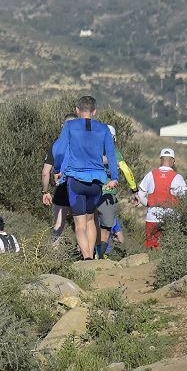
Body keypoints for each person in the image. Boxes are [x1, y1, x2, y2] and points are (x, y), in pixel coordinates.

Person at [52, 95, 119, 260]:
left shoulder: (70, 126)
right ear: (94, 111)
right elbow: (111, 154)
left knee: (79, 224)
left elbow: (60, 150)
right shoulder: (103, 129)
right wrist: (114, 177)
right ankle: (92, 257)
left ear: (77, 110)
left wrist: (58, 169)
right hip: (96, 182)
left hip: (76, 180)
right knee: (90, 220)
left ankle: (87, 258)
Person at [95, 125, 138, 258]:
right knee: (106, 227)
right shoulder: (113, 150)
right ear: (113, 137)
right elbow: (126, 170)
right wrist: (134, 190)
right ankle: (99, 256)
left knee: (88, 223)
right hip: (107, 193)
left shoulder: (91, 146)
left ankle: (87, 253)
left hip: (88, 190)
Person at [134, 148, 187, 249]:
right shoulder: (178, 177)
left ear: (161, 160)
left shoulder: (150, 174)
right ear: (173, 161)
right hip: (171, 217)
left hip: (152, 217)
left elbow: (140, 195)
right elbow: (183, 199)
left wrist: (148, 205)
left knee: (152, 246)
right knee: (169, 246)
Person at [42, 112, 77, 244]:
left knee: (58, 223)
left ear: (63, 126)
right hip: (82, 185)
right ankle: (90, 256)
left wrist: (45, 192)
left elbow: (45, 173)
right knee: (84, 222)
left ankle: (53, 254)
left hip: (62, 186)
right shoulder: (85, 144)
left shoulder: (56, 145)